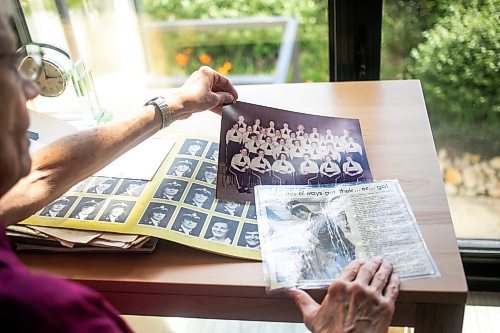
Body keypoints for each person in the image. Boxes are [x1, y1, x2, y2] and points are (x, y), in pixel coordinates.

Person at [0, 6, 399, 331]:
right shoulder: (53, 314)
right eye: (6, 70)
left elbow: (42, 175)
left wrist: (171, 105)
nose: (31, 90)